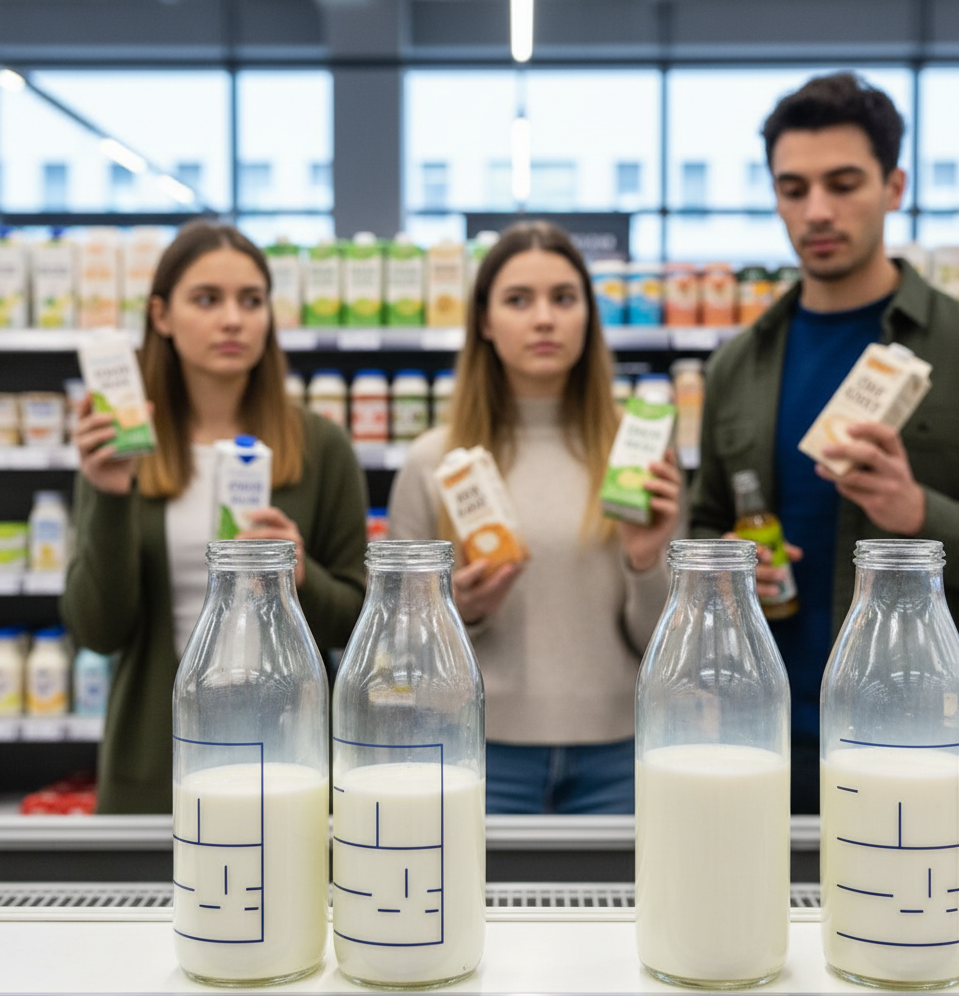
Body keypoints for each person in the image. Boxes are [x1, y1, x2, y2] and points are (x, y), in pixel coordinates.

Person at [689, 71, 959, 813]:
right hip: (758, 740)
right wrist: (727, 574)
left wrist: (919, 516)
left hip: (919, 743)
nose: (817, 211)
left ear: (894, 185)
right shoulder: (737, 364)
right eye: (793, 188)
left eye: (844, 183)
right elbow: (703, 523)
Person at [62, 221, 367, 814]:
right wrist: (108, 493)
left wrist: (301, 575)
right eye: (207, 299)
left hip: (289, 761)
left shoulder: (320, 447)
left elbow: (358, 627)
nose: (233, 319)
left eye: (251, 301)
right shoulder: (119, 450)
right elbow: (97, 630)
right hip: (155, 763)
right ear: (161, 315)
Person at [388, 221, 682, 814]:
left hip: (621, 755)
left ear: (588, 319)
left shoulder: (639, 456)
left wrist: (647, 560)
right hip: (477, 751)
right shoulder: (432, 462)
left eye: (564, 299)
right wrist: (459, 614)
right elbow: (398, 654)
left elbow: (666, 645)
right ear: (485, 323)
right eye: (518, 300)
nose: (544, 318)